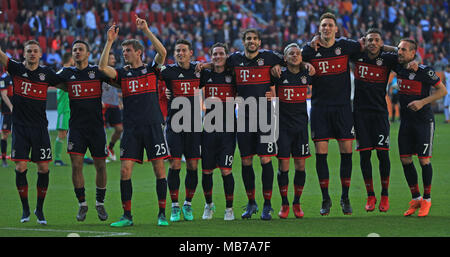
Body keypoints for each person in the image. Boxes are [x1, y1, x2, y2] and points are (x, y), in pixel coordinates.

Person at [99, 16, 169, 227]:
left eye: (128, 50)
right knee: (124, 170)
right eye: (123, 51)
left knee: (159, 170)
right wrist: (109, 41)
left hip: (153, 125)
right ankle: (127, 216)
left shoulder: (152, 70)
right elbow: (102, 68)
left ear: (138, 52)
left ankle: (162, 214)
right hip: (131, 128)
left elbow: (163, 53)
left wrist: (146, 30)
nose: (124, 54)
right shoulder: (122, 74)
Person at [301, 12, 363, 216]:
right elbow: (292, 62)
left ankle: (345, 198)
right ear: (319, 29)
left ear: (336, 29)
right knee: (321, 155)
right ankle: (326, 198)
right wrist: (304, 65)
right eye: (323, 25)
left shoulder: (346, 46)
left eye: (330, 25)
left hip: (343, 108)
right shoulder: (309, 50)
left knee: (346, 153)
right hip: (320, 109)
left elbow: (371, 47)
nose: (326, 28)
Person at [351, 28, 418, 212]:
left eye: (376, 40)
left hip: (380, 113)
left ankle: (385, 195)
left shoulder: (388, 59)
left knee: (382, 154)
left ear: (382, 43)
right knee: (364, 155)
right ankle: (370, 195)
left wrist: (414, 63)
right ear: (364, 41)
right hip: (359, 114)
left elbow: (404, 59)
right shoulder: (356, 55)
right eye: (369, 39)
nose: (372, 43)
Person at [0, 40, 62, 225]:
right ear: (24, 53)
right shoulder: (16, 69)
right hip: (19, 127)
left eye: (35, 51)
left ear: (40, 54)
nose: (32, 54)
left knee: (43, 168)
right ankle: (25, 209)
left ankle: (40, 209)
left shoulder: (47, 73)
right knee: (20, 168)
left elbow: (65, 85)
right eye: (29, 51)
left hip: (40, 128)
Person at [224, 29, 283, 220]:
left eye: (255, 39)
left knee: (266, 160)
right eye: (248, 39)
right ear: (243, 42)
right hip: (244, 118)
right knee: (246, 160)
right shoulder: (234, 60)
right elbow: (216, 65)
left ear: (259, 42)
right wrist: (204, 65)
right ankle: (251, 203)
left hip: (266, 117)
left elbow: (293, 60)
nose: (251, 41)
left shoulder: (270, 57)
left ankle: (267, 204)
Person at [56, 40, 110, 222]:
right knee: (76, 165)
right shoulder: (66, 73)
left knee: (101, 166)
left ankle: (100, 203)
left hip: (96, 128)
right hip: (77, 128)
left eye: (80, 49)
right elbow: (50, 80)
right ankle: (82, 204)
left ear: (88, 54)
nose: (77, 52)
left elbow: (118, 79)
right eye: (74, 50)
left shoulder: (97, 72)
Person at [394, 38, 447, 217]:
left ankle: (427, 199)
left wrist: (422, 102)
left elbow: (443, 91)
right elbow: (385, 48)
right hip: (406, 122)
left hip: (424, 122)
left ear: (413, 54)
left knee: (424, 160)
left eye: (403, 50)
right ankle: (416, 198)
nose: (399, 52)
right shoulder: (398, 66)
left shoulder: (425, 71)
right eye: (398, 49)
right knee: (405, 159)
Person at [160, 39, 202, 222]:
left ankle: (188, 203)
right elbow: (150, 75)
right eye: (177, 50)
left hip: (193, 126)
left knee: (193, 166)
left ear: (191, 53)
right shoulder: (168, 72)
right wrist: (164, 91)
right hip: (174, 125)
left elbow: (221, 68)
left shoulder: (199, 71)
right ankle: (175, 205)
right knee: (175, 165)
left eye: (184, 50)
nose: (180, 53)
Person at [271, 43, 312, 218]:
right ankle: (284, 203)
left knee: (301, 165)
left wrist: (309, 66)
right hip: (282, 127)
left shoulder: (307, 73)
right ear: (285, 57)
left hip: (301, 127)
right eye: (291, 53)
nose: (295, 56)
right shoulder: (279, 74)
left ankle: (297, 202)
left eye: (297, 53)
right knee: (284, 165)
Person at [199, 42, 236, 221]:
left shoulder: (233, 74)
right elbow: (186, 79)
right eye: (214, 54)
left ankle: (229, 209)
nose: (217, 57)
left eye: (221, 54)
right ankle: (208, 205)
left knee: (226, 171)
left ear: (226, 56)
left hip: (229, 130)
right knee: (206, 171)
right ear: (211, 56)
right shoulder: (205, 74)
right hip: (209, 129)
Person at [101, 52, 123, 161]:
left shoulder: (115, 72)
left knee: (119, 129)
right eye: (112, 58)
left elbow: (114, 90)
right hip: (104, 105)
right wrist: (99, 101)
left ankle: (110, 147)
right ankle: (103, 152)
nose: (114, 60)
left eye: (114, 58)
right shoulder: (101, 72)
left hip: (114, 105)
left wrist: (119, 101)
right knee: (102, 130)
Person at [54, 52, 73, 167]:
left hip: (70, 108)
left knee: (75, 133)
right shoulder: (62, 73)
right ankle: (57, 159)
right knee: (62, 134)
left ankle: (83, 157)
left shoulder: (69, 72)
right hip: (64, 109)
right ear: (70, 60)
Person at [0, 71, 13, 167]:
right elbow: (3, 95)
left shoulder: (15, 76)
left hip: (17, 111)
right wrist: (11, 106)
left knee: (20, 132)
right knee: (5, 134)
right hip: (7, 111)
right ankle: (4, 159)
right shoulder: (4, 78)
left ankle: (17, 155)